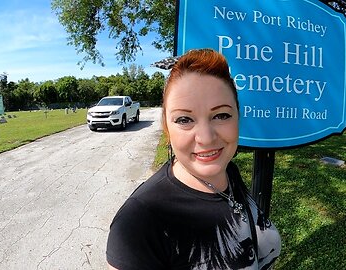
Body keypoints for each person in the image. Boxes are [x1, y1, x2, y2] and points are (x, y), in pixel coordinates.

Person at [106, 49, 281, 270]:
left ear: (238, 115)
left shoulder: (228, 173)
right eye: (184, 119)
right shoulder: (140, 221)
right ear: (166, 127)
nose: (206, 138)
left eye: (221, 115)